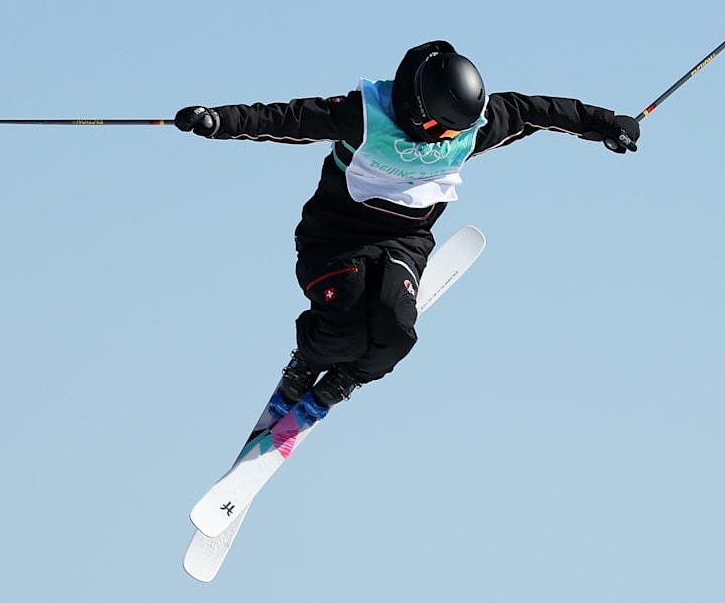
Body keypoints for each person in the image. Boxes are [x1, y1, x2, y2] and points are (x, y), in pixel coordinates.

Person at [174, 40, 640, 434]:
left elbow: (540, 112)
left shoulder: (472, 127)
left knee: (395, 333)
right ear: (417, 112)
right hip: (336, 239)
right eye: (441, 129)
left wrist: (606, 124)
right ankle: (307, 362)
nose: (446, 139)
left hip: (405, 242)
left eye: (457, 130)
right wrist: (217, 120)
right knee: (345, 320)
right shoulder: (365, 113)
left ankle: (342, 381)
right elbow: (286, 119)